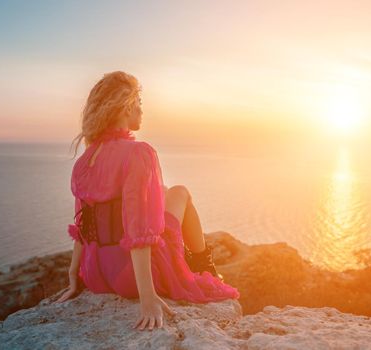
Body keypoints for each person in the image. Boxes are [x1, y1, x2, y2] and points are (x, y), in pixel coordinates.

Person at [56, 71, 240, 331]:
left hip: (96, 273)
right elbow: (139, 230)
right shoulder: (139, 153)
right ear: (127, 105)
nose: (142, 111)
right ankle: (203, 266)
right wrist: (147, 297)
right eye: (139, 104)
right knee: (180, 192)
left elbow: (82, 227)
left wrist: (74, 276)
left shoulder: (87, 159)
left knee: (164, 190)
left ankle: (201, 264)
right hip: (131, 277)